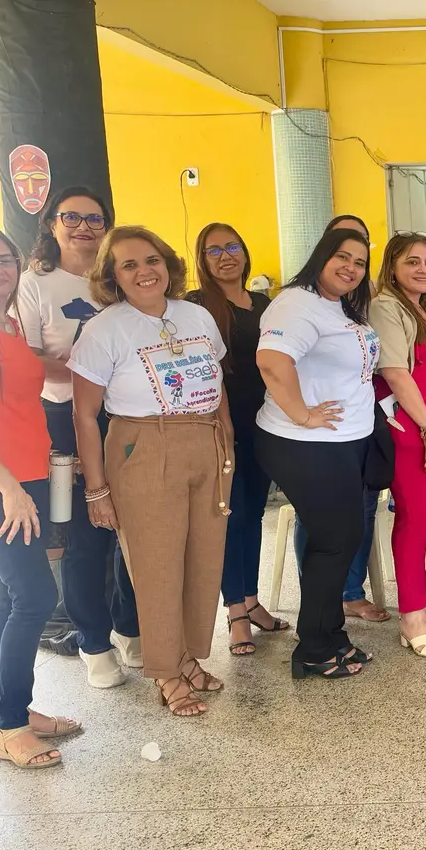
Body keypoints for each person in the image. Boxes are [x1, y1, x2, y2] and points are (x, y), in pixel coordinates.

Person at [68, 226, 233, 717]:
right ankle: (165, 671)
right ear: (113, 278)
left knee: (203, 559)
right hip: (143, 444)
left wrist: (226, 441)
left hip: (204, 441)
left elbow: (217, 382)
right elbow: (84, 415)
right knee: (156, 565)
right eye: (129, 265)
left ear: (168, 265)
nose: (144, 271)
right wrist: (96, 489)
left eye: (152, 260)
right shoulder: (104, 329)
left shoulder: (196, 315)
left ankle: (187, 656)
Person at [15, 186, 140, 687]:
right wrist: (89, 370)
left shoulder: (118, 280)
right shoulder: (34, 284)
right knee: (86, 533)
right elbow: (25, 357)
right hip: (63, 419)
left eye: (95, 219)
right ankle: (94, 642)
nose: (84, 227)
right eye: (72, 217)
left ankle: (131, 629)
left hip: (125, 417)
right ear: (52, 224)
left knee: (134, 527)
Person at [255, 227, 379, 680]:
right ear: (320, 257)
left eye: (360, 262)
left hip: (341, 442)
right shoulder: (297, 303)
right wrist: (302, 414)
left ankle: (330, 634)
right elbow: (272, 360)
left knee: (341, 539)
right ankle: (313, 647)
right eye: (342, 257)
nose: (351, 267)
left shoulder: (339, 306)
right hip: (306, 445)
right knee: (333, 541)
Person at [0, 225, 76, 768]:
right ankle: (11, 724)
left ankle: (7, 709)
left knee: (11, 593)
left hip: (26, 476)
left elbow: (15, 404)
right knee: (35, 596)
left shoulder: (9, 323)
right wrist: (9, 487)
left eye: (3, 259)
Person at [185, 223, 289, 657]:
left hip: (263, 421)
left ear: (244, 253)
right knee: (232, 515)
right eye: (214, 250)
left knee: (255, 515)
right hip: (220, 422)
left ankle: (252, 600)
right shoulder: (196, 306)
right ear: (202, 260)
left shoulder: (264, 304)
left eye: (232, 247)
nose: (225, 256)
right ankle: (235, 613)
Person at [372, 232, 426, 655]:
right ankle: (410, 618)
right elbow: (394, 371)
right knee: (416, 515)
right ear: (392, 267)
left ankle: (419, 603)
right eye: (412, 261)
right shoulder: (385, 307)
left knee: (423, 515)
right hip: (410, 425)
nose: (423, 269)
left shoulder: (421, 309)